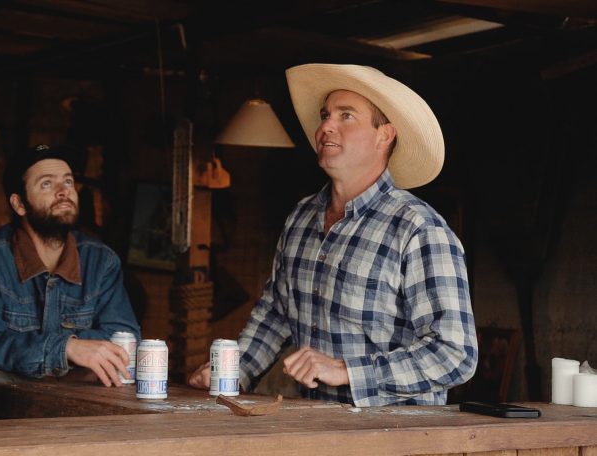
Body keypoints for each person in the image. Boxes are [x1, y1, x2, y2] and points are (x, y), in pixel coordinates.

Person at [189, 64, 478, 406]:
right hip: (317, 428)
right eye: (326, 115)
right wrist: (232, 372)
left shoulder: (418, 229)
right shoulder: (301, 217)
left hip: (398, 437)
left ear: (384, 136)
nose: (325, 126)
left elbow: (455, 354)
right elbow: (276, 314)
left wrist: (348, 371)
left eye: (346, 116)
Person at [0, 144, 141, 386]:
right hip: (3, 414)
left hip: (83, 411)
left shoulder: (101, 261)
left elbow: (124, 340)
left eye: (69, 182)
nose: (63, 191)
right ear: (19, 204)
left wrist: (48, 349)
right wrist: (66, 349)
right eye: (47, 184)